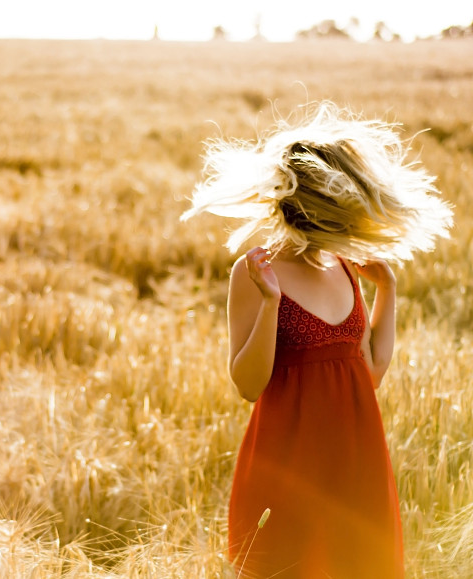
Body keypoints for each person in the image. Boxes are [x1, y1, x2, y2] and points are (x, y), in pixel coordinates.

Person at [181, 102, 453, 578]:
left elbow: (368, 372)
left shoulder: (345, 269)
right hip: (288, 467)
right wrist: (269, 304)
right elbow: (247, 384)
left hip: (357, 461)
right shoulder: (256, 271)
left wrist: (387, 288)